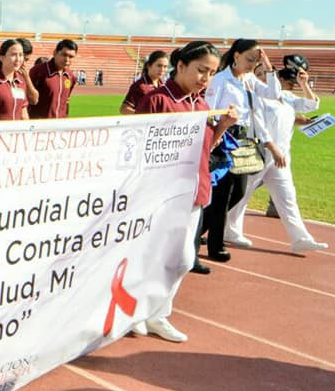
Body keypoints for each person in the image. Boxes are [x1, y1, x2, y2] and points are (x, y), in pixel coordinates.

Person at [134, 41, 238, 339]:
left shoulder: (203, 104)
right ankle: (139, 311)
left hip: (194, 191)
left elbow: (206, 147)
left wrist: (224, 126)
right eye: (201, 70)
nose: (205, 78)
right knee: (151, 255)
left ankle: (158, 313)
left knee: (181, 259)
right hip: (160, 194)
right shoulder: (157, 100)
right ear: (181, 66)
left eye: (211, 72)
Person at [226, 55, 327, 253]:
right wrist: (273, 149)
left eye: (267, 74)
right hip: (261, 152)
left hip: (281, 157)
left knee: (288, 196)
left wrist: (304, 83)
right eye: (260, 74)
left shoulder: (287, 97)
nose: (265, 77)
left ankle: (300, 238)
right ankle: (227, 229)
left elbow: (312, 104)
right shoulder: (257, 98)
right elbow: (261, 127)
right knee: (243, 194)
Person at [202, 39, 281, 262]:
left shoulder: (249, 80)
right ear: (236, 55)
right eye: (249, 59)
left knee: (238, 192)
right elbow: (210, 110)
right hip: (226, 136)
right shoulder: (221, 80)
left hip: (245, 139)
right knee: (222, 195)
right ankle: (215, 247)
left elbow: (273, 94)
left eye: (255, 60)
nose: (251, 64)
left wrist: (267, 66)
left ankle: (198, 231)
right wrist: (216, 135)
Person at [0, 39, 37, 121]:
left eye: (20, 55)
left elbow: (24, 113)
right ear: (2, 58)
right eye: (13, 55)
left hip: (16, 133)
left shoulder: (20, 81)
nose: (18, 59)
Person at [28, 39, 77, 119]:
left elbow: (66, 101)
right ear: (55, 52)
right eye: (64, 55)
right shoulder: (38, 71)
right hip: (39, 124)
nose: (67, 60)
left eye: (71, 57)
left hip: (59, 125)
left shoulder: (71, 76)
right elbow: (26, 99)